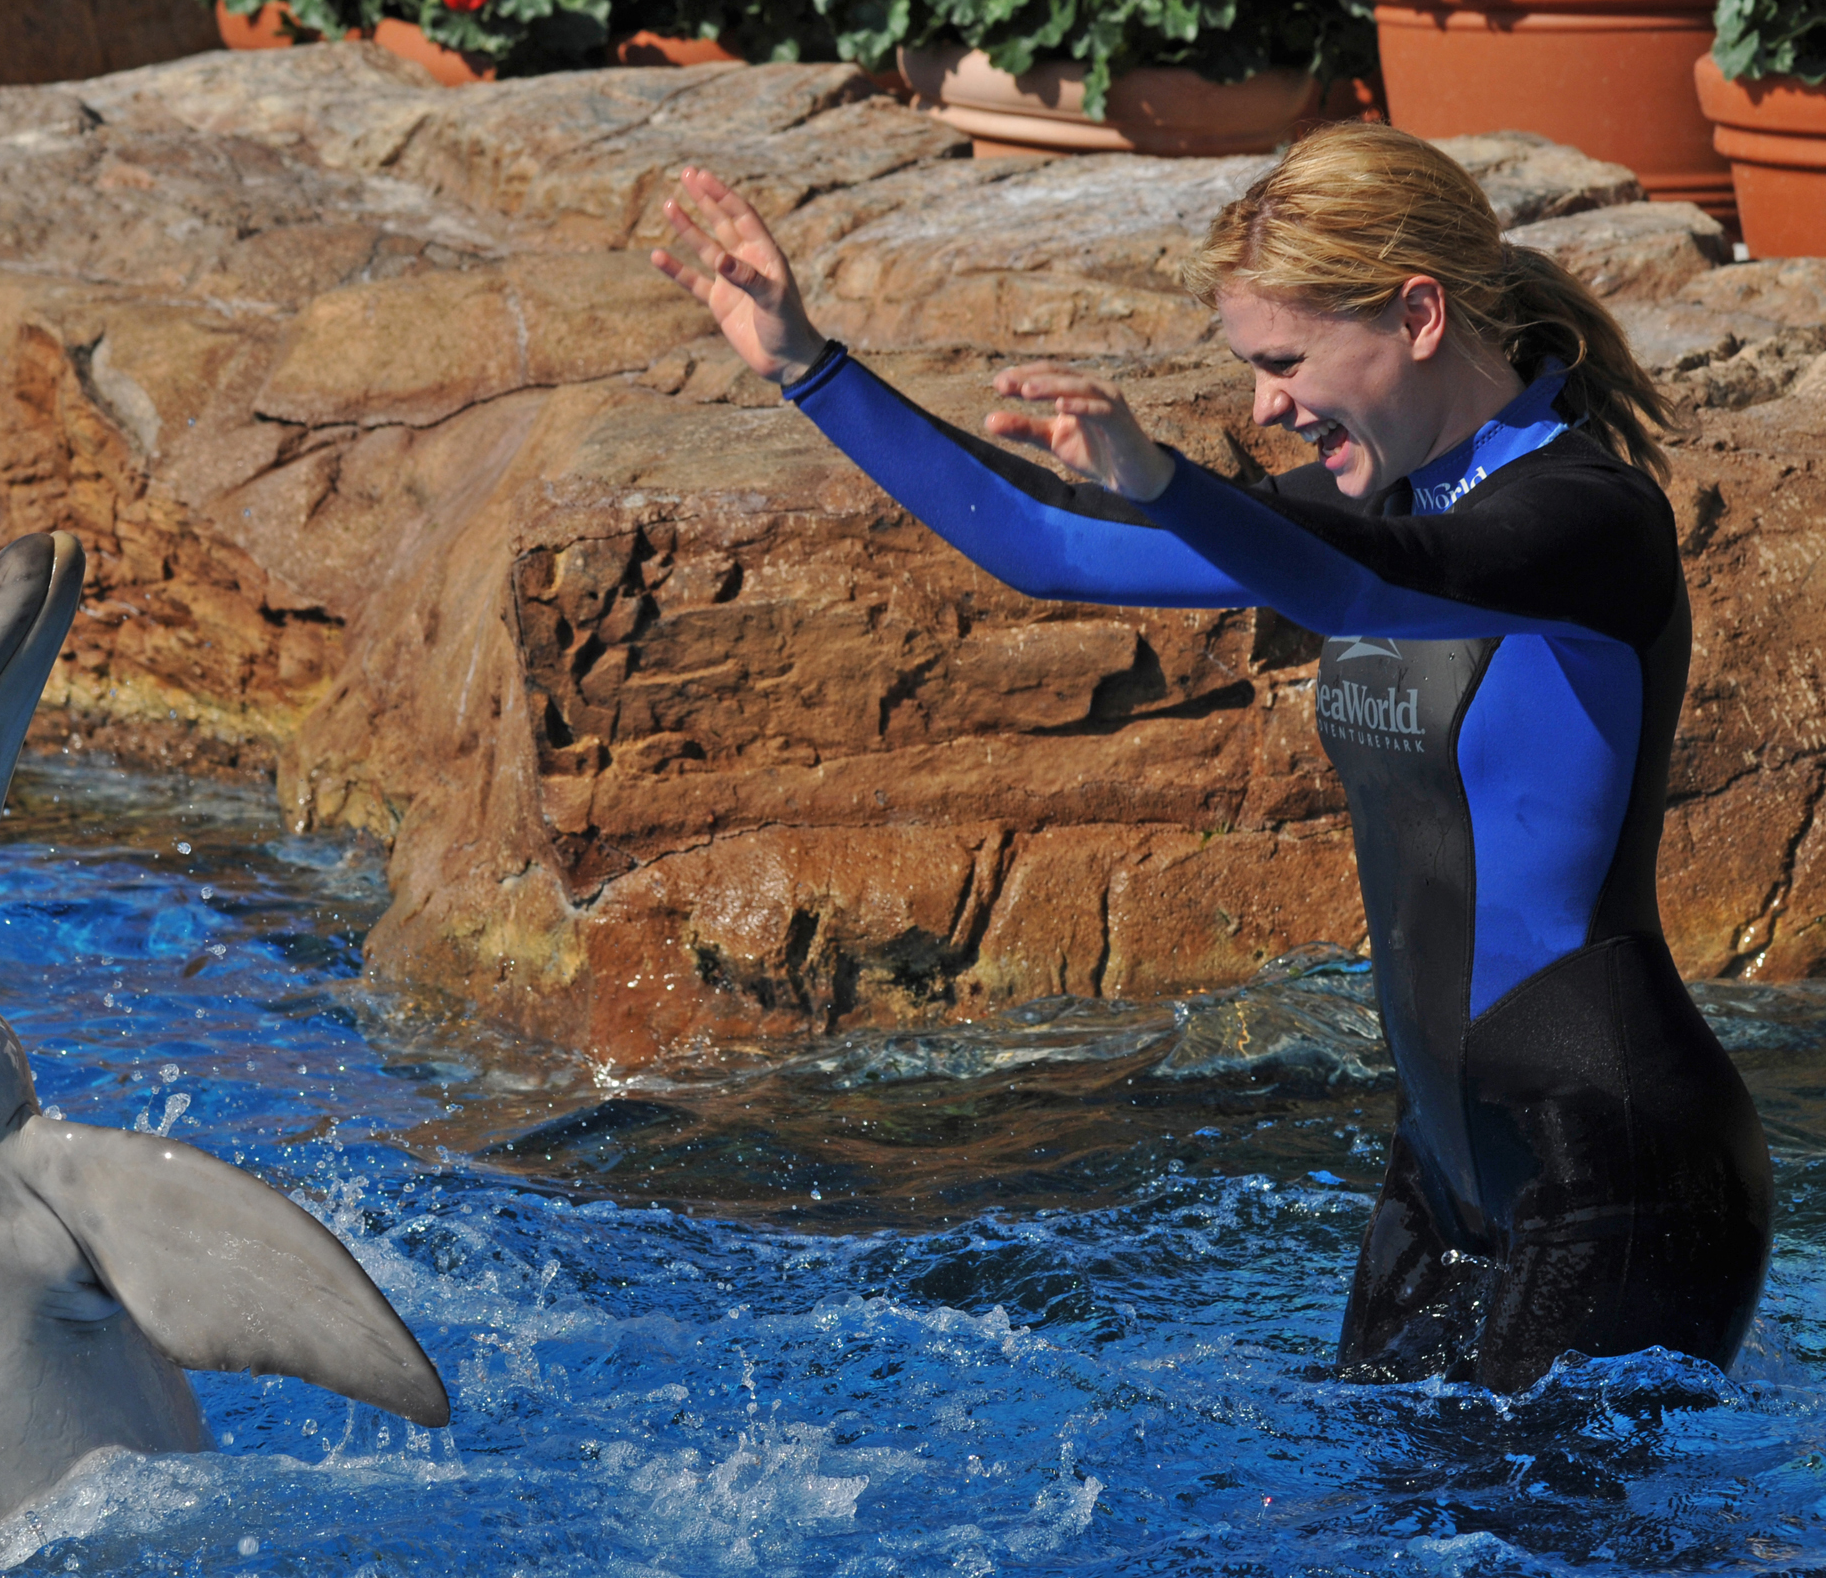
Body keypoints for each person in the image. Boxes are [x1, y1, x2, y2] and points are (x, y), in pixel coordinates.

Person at [651, 122, 1772, 1392]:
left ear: (1416, 314)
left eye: (1285, 361)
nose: (1266, 409)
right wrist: (808, 366)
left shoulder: (1586, 519)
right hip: (1453, 1174)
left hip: (1618, 1170)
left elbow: (1370, 590)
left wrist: (1170, 480)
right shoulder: (1386, 506)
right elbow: (1049, 548)